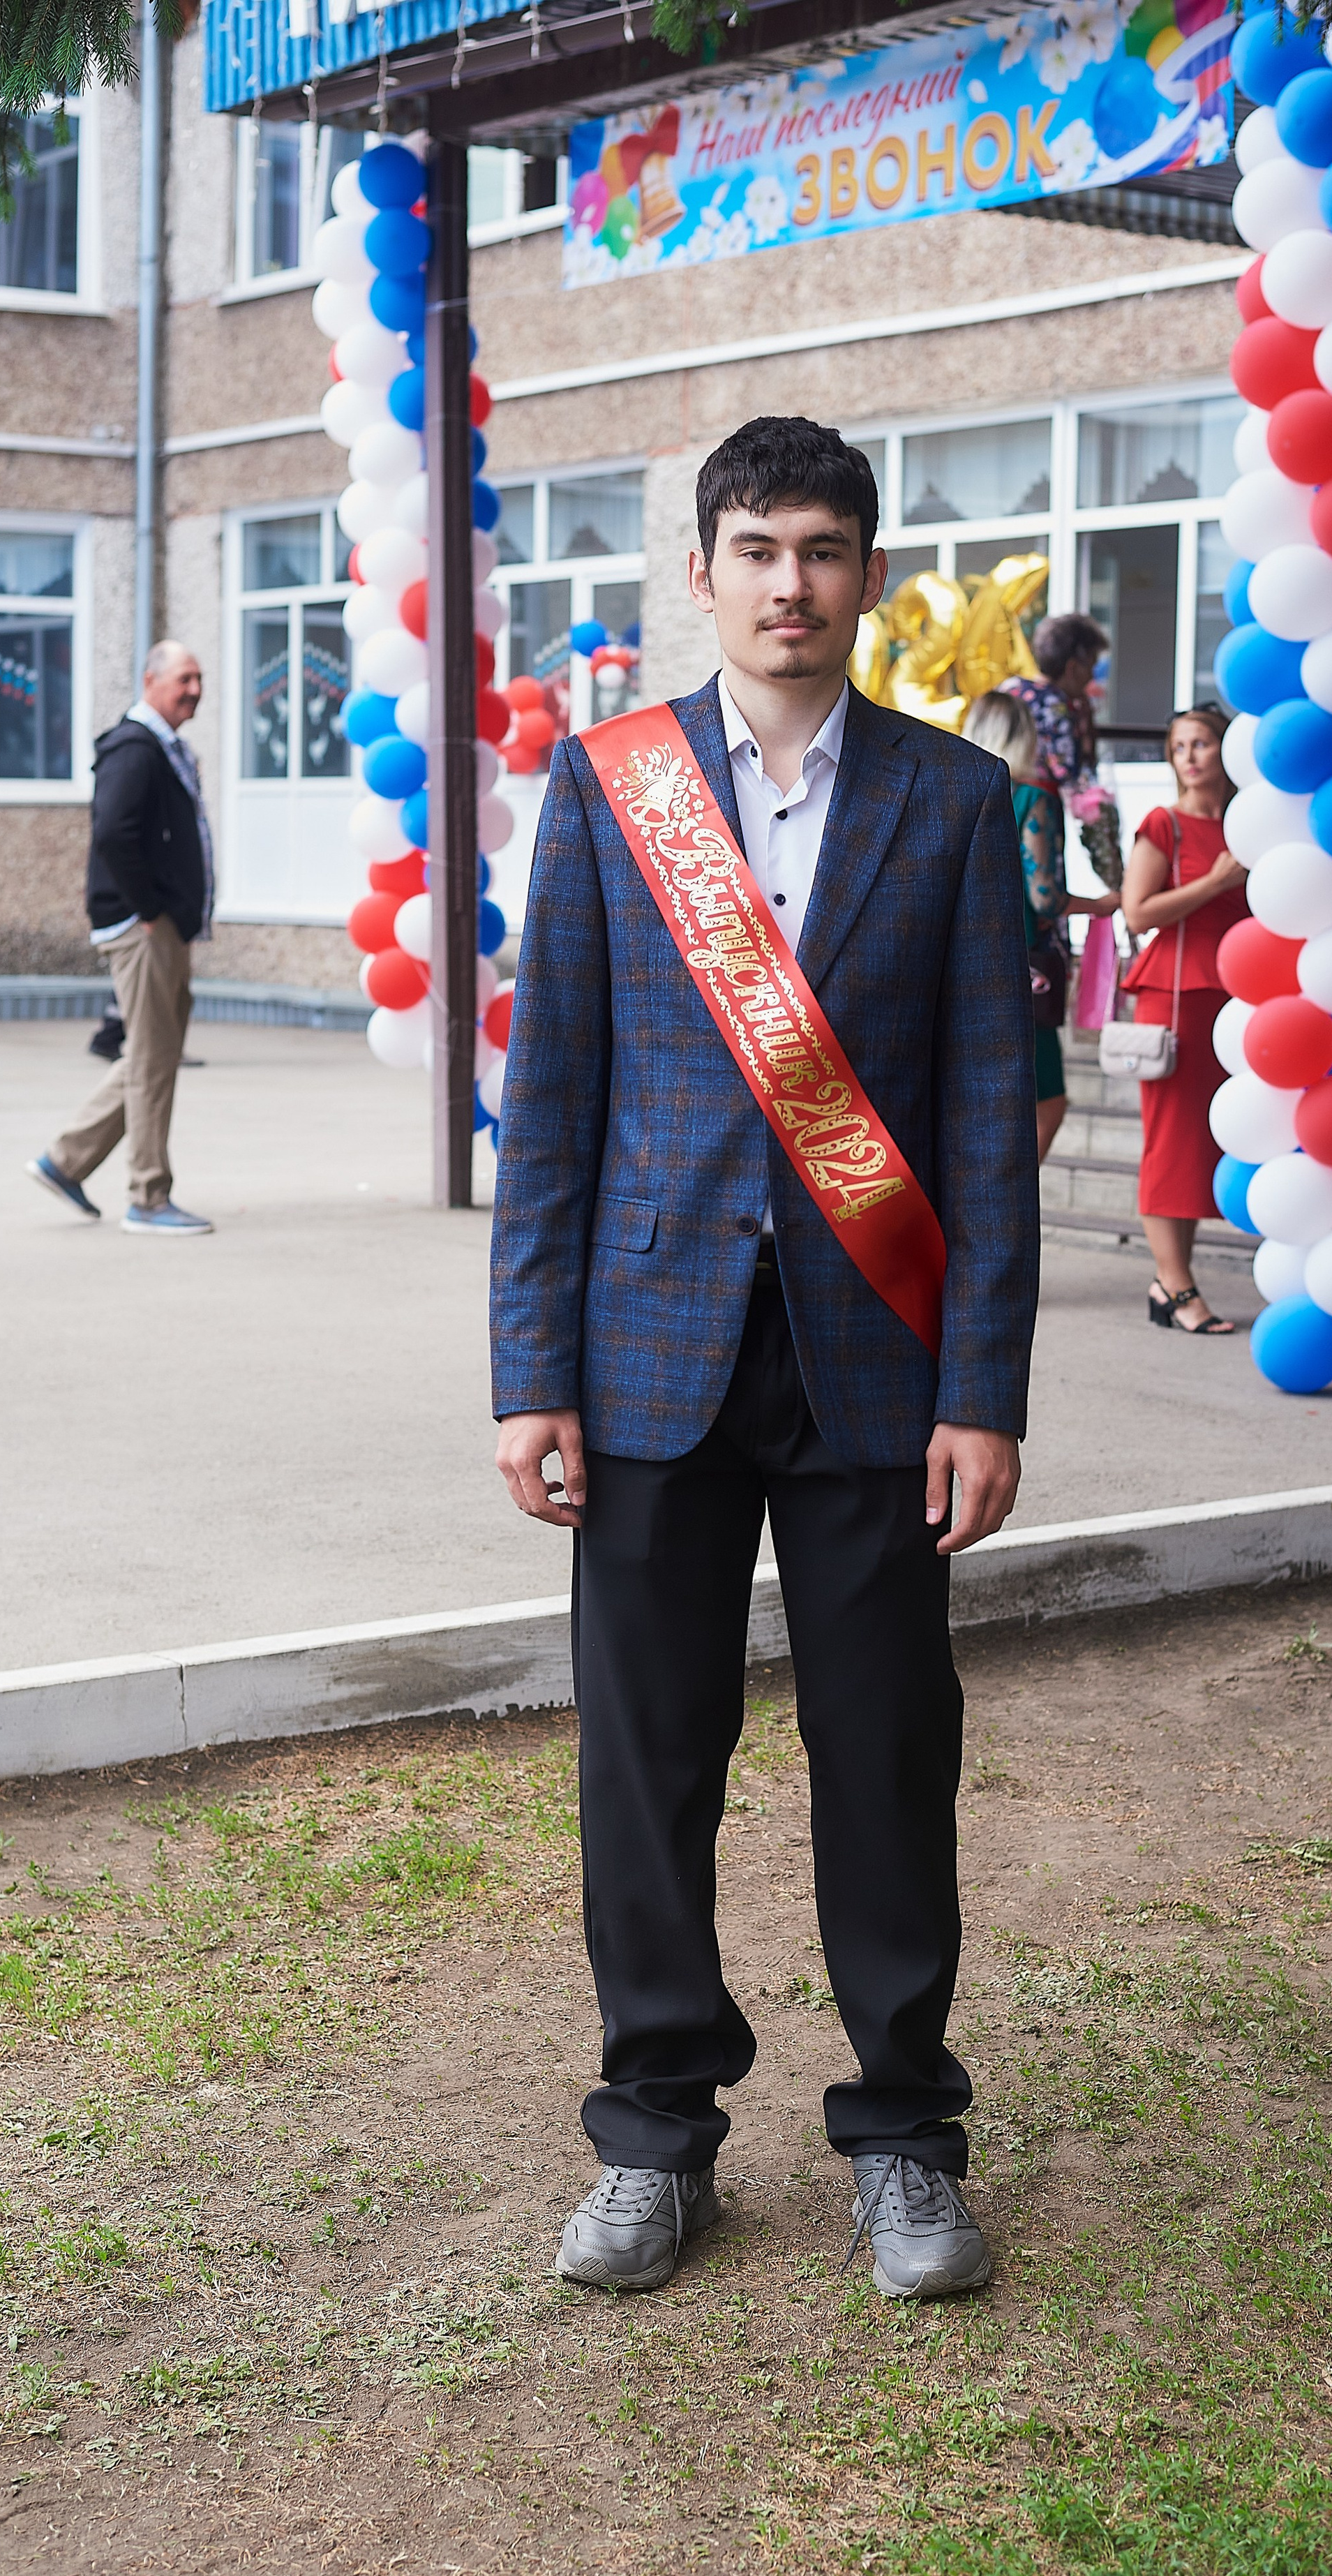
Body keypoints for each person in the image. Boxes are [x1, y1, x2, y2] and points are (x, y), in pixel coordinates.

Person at [490, 415, 1040, 2302]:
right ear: (701, 571)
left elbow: (983, 1126)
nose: (787, 583)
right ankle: (655, 2134)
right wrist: (528, 1372)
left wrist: (982, 1390)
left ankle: (903, 2133)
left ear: (866, 574)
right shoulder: (606, 788)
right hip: (647, 1352)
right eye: (755, 548)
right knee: (646, 1760)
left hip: (877, 1364)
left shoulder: (955, 803)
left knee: (884, 1751)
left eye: (820, 549)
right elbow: (553, 1099)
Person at [28, 640, 216, 1233]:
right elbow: (112, 833)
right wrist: (149, 910)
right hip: (143, 929)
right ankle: (149, 1196)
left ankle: (64, 1162)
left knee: (149, 1054)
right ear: (150, 680)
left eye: (199, 678)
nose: (195, 690)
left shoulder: (163, 747)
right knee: (154, 1062)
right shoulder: (135, 748)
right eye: (184, 678)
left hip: (159, 926)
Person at [1119, 705, 1248, 1334]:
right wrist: (1214, 882)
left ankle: (1169, 1280)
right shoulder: (1164, 823)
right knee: (1171, 1141)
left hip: (1237, 999)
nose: (1190, 757)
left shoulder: (1250, 825)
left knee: (1201, 1143)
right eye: (1179, 747)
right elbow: (1137, 912)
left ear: (1228, 749)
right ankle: (1177, 1285)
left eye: (1202, 743)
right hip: (1176, 996)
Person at [961, 689, 1119, 1160]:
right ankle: (1004, 1193)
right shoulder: (1032, 798)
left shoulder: (954, 792)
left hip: (962, 963)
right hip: (1023, 966)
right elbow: (1044, 896)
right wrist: (1101, 904)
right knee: (1047, 1100)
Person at [999, 611, 1125, 900]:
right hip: (1038, 809)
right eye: (1091, 666)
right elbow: (1069, 772)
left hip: (1000, 804)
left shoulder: (1009, 689)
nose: (1091, 676)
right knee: (1043, 892)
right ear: (1072, 667)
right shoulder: (1059, 705)